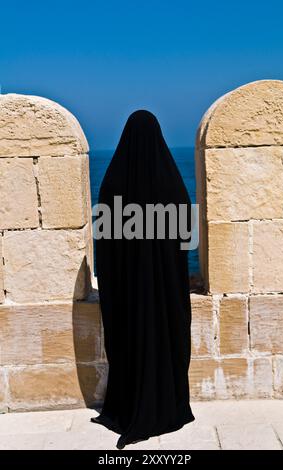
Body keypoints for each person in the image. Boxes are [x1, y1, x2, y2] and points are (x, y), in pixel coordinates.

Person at [91, 110, 194, 449]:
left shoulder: (113, 182)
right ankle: (169, 405)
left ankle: (127, 406)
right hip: (164, 293)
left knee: (127, 341)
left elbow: (103, 245)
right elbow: (185, 237)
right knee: (167, 340)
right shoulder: (172, 183)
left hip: (128, 293)